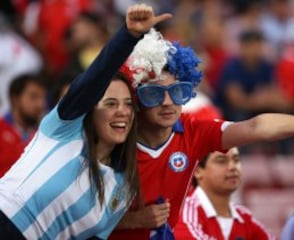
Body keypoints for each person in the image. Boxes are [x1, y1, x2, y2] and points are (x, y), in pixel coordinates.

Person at [111, 25, 294, 239]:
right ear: (136, 99)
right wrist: (133, 220)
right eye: (154, 94)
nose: (168, 102)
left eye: (179, 91)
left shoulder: (193, 130)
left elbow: (255, 127)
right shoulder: (114, 137)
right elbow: (78, 217)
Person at [0, 4, 171, 239]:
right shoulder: (63, 128)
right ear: (91, 109)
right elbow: (95, 77)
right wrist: (128, 36)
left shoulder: (124, 186)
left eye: (128, 105)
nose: (123, 111)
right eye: (111, 103)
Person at [174, 147, 275, 240]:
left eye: (236, 160)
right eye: (221, 161)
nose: (233, 167)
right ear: (197, 171)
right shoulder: (184, 212)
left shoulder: (245, 218)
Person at [0, 74, 46, 177]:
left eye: (43, 98)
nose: (41, 104)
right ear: (15, 98)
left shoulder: (44, 136)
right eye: (33, 97)